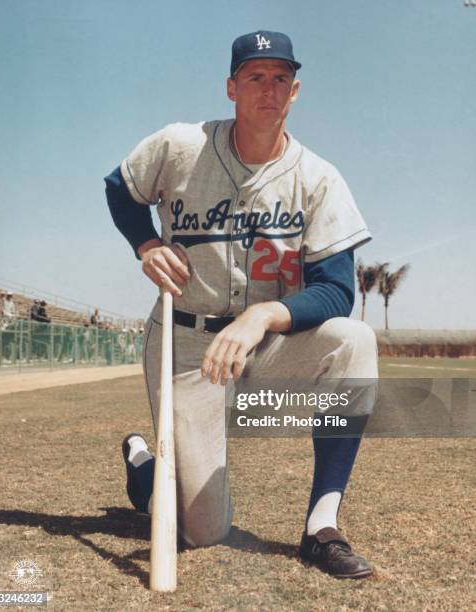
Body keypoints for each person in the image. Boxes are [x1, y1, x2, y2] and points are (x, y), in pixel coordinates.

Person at [105, 30, 378, 579]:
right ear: (231, 87)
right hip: (186, 345)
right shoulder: (180, 146)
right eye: (255, 76)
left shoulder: (318, 178)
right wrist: (147, 244)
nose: (268, 89)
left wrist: (262, 316)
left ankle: (321, 527)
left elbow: (336, 289)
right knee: (203, 534)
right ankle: (146, 465)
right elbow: (120, 188)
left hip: (265, 347)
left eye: (281, 78)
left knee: (355, 341)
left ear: (295, 91)